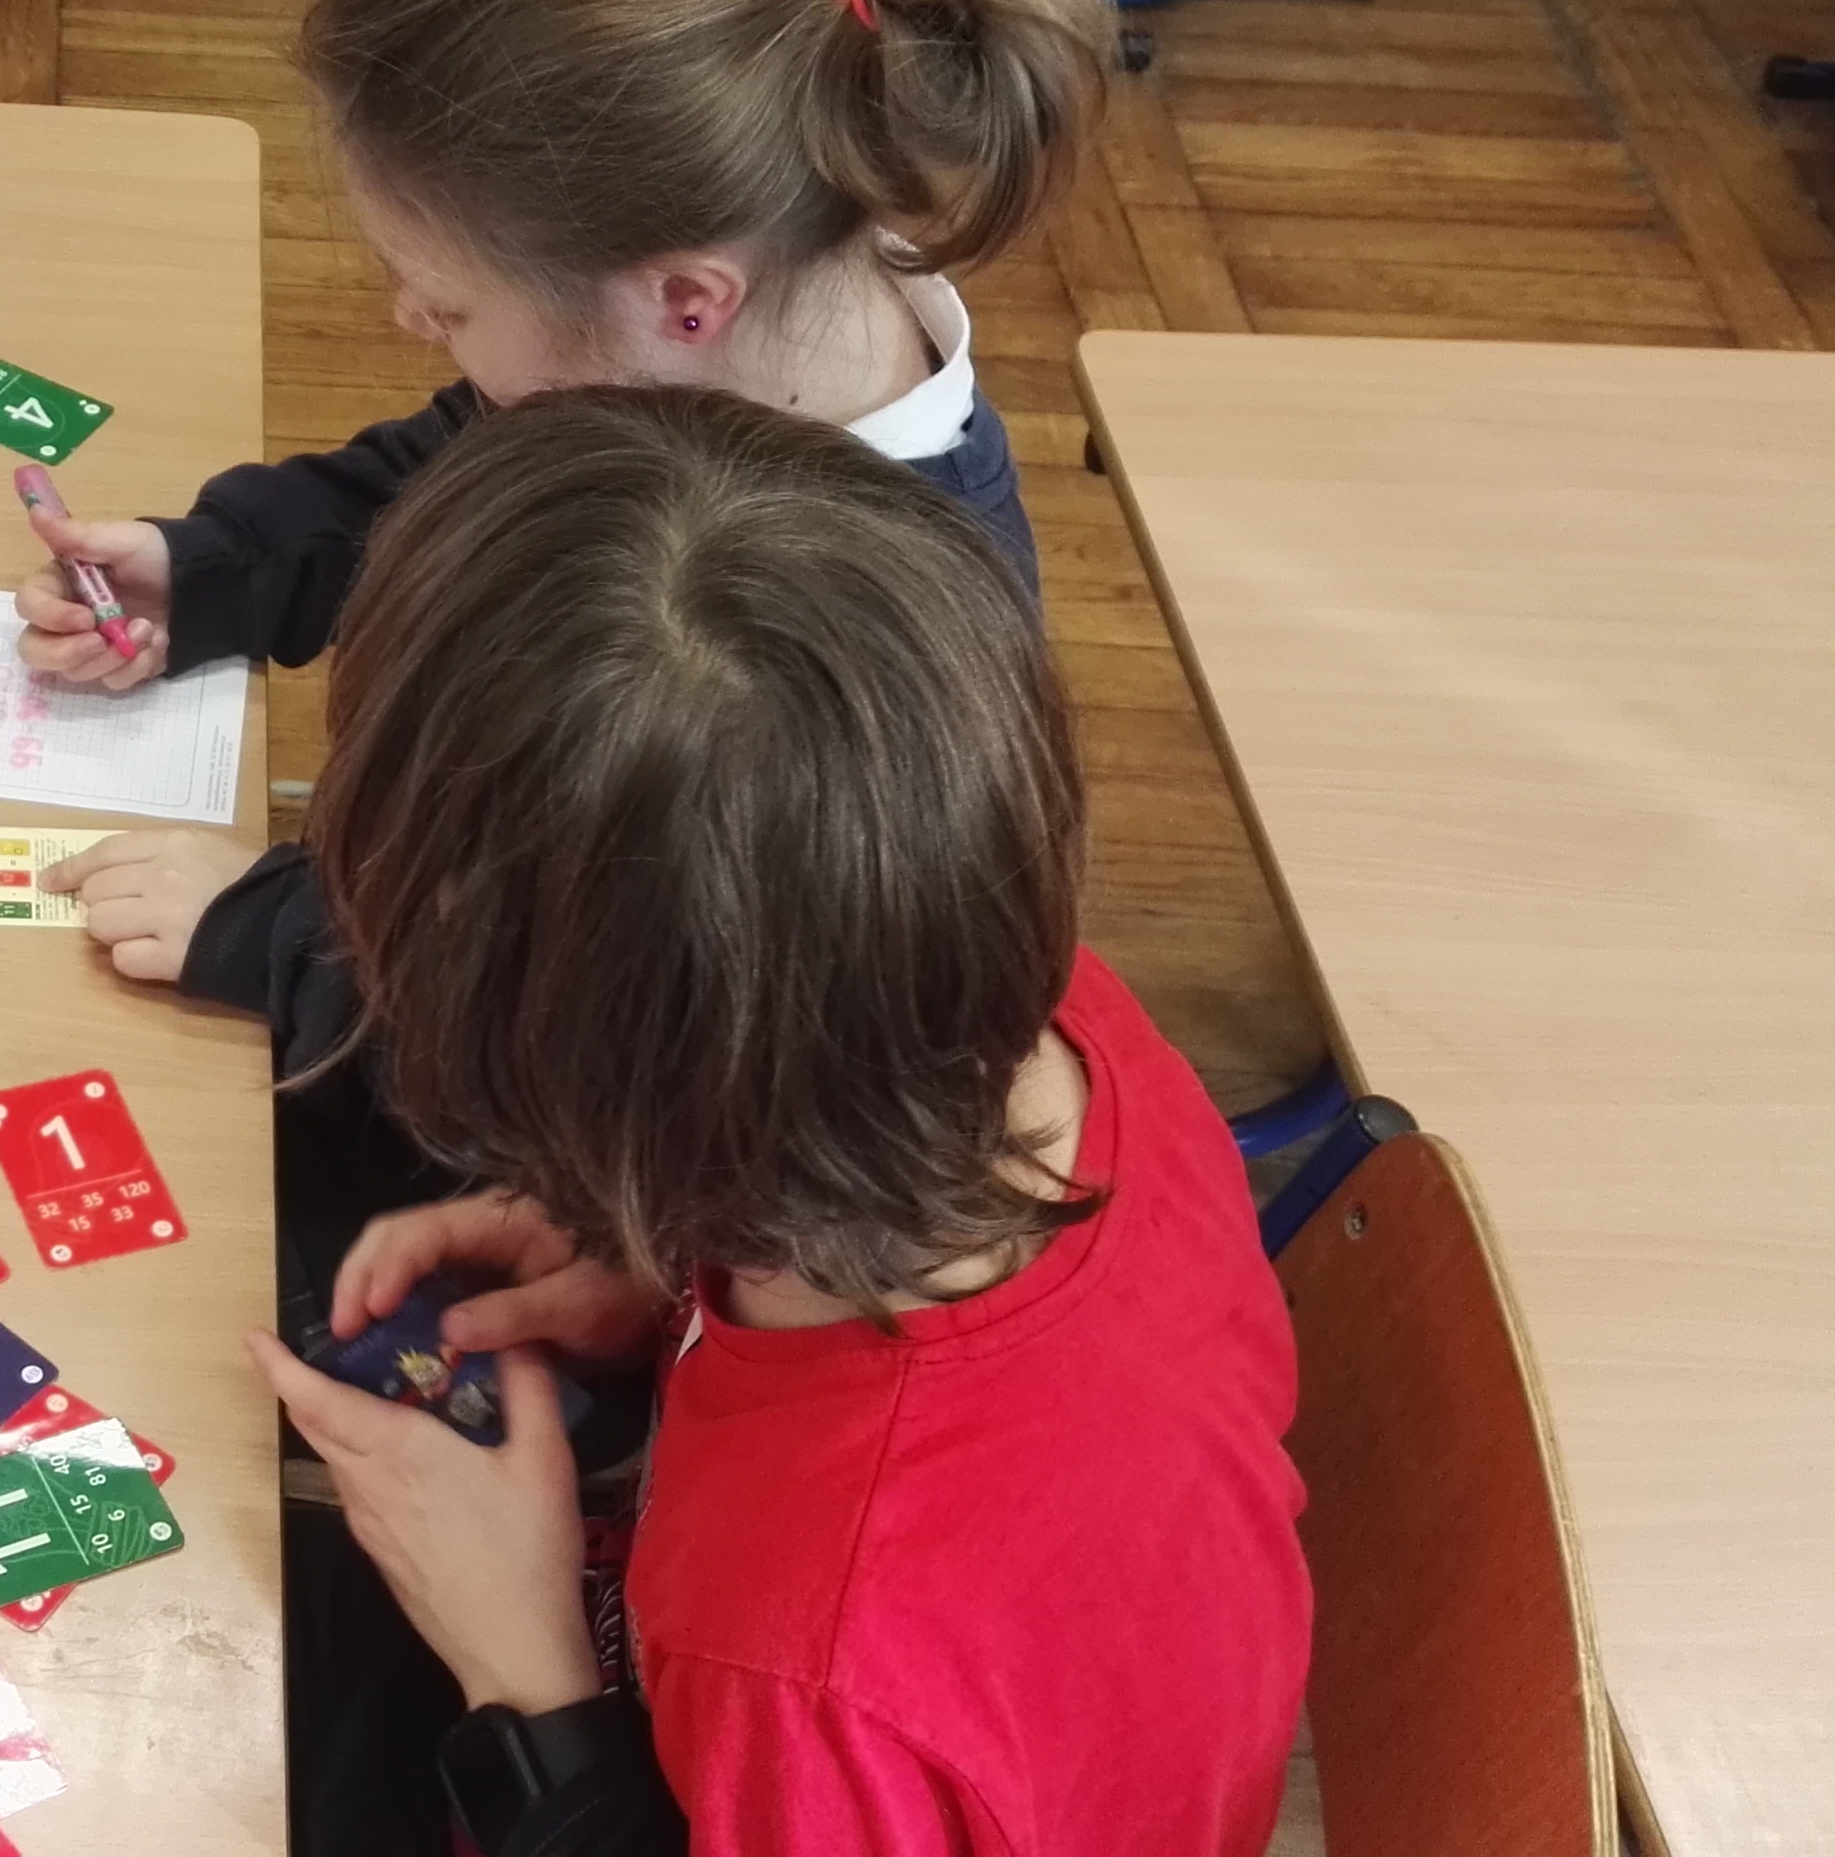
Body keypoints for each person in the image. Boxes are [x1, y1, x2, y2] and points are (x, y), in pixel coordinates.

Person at [242, 386, 1308, 1856]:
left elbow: (820, 1688)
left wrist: (527, 1677)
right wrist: (654, 1258)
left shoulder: (801, 1673)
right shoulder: (1043, 1014)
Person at [11, 0, 1110, 1098]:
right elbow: (451, 469)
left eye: (445, 302)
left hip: (512, 1100)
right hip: (428, 918)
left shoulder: (817, 663)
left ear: (683, 297)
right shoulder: (720, 341)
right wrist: (221, 567)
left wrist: (274, 934)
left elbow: (595, 1015)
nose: (406, 320)